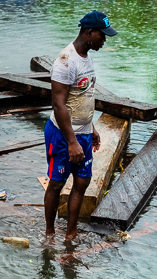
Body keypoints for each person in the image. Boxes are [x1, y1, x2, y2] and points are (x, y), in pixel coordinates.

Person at [43, 10, 117, 242]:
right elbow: (59, 105)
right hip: (63, 135)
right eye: (102, 36)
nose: (104, 40)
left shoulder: (86, 56)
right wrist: (73, 141)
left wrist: (91, 127)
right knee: (57, 183)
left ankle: (71, 233)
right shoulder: (66, 61)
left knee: (83, 181)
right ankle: (49, 233)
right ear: (89, 32)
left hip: (83, 132)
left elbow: (83, 96)